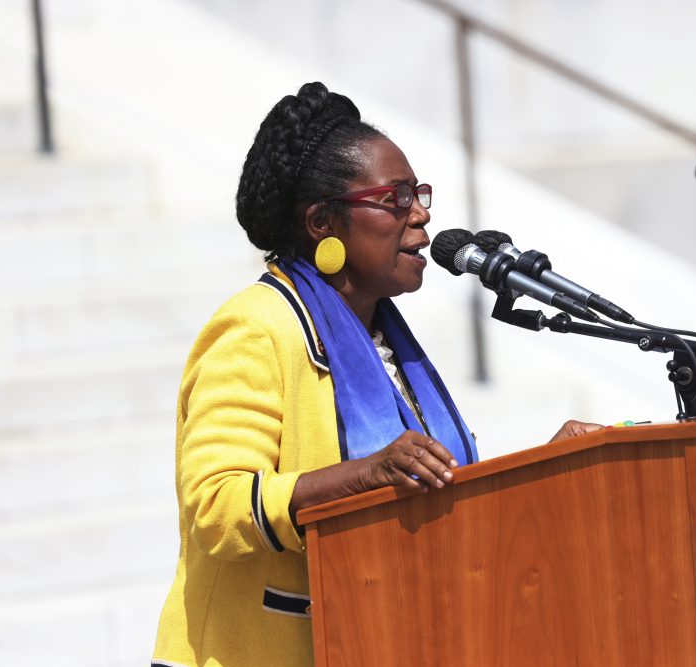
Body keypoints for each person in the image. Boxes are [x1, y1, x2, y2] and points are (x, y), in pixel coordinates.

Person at [151, 82, 601, 667]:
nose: (421, 215)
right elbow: (216, 505)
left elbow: (436, 489)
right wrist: (363, 475)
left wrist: (548, 470)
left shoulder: (387, 337)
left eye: (419, 195)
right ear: (322, 222)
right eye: (395, 198)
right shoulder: (256, 327)